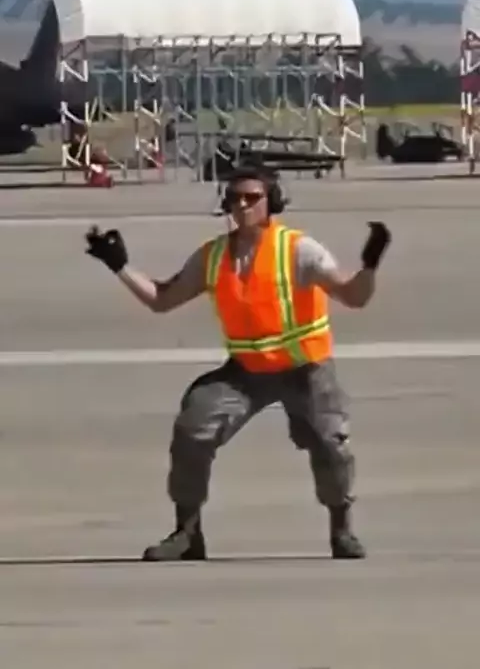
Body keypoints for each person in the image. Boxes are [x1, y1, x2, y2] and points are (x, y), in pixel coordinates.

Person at [85, 164, 391, 562]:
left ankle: (341, 530)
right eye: (235, 198)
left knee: (329, 443)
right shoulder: (213, 256)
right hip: (246, 372)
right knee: (193, 426)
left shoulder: (299, 250)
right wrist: (119, 265)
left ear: (272, 202)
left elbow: (353, 297)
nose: (243, 205)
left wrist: (370, 265)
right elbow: (162, 300)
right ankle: (187, 533)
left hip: (306, 369)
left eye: (252, 198)